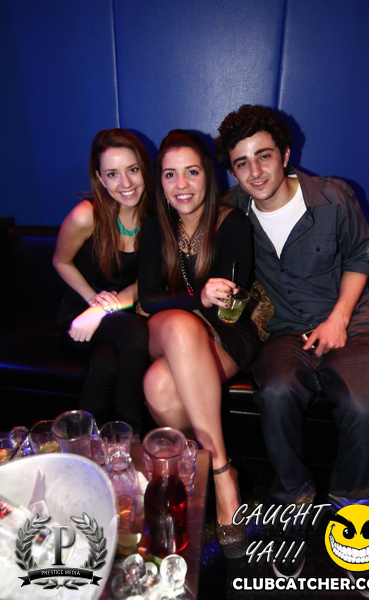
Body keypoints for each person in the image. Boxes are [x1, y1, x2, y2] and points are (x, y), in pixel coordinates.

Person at [215, 105, 369, 576]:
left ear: (285, 154)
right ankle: (293, 502)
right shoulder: (231, 210)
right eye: (241, 162)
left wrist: (338, 319)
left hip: (348, 324)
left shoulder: (332, 196)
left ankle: (353, 510)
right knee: (274, 390)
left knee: (362, 403)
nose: (255, 171)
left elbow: (363, 256)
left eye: (264, 156)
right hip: (283, 332)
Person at [138, 129, 261, 558]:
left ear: (208, 174)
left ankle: (194, 467)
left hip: (226, 335)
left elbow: (233, 305)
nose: (182, 185)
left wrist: (212, 300)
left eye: (192, 172)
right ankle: (225, 475)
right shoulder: (156, 225)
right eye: (170, 174)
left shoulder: (232, 223)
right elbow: (149, 298)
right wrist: (196, 300)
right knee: (178, 325)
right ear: (160, 181)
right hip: (169, 330)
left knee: (158, 385)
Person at [53, 128, 153, 435]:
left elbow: (147, 280)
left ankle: (82, 441)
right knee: (134, 332)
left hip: (118, 311)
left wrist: (106, 309)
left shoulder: (156, 217)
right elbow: (60, 261)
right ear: (100, 178)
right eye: (112, 174)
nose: (126, 183)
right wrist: (92, 303)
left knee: (107, 362)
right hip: (79, 315)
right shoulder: (86, 216)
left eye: (132, 170)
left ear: (144, 169)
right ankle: (132, 433)